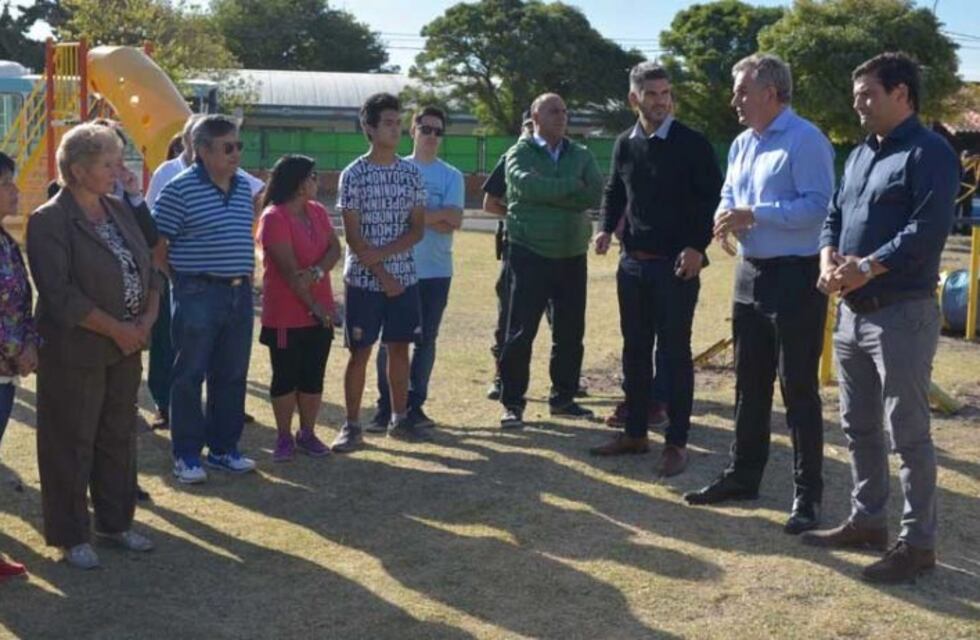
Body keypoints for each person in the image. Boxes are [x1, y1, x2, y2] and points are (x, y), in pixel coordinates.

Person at [802, 52, 959, 584]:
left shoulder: (930, 151)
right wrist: (829, 257)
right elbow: (835, 214)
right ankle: (868, 520)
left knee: (908, 435)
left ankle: (918, 545)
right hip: (853, 314)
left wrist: (865, 267)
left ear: (902, 95)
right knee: (858, 425)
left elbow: (928, 228)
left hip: (901, 314)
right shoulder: (860, 154)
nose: (858, 104)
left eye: (868, 94)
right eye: (857, 95)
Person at [684, 54, 835, 536]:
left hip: (796, 276)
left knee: (798, 388)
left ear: (772, 93)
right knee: (748, 383)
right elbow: (730, 193)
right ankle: (743, 476)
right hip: (749, 275)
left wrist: (755, 214)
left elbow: (818, 207)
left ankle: (808, 495)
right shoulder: (743, 143)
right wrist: (726, 216)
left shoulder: (806, 140)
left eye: (743, 91)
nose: (735, 101)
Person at [27, 123, 160, 569]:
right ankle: (70, 534)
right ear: (80, 170)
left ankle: (115, 522)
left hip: (126, 347)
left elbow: (148, 264)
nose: (117, 171)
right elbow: (60, 294)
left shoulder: (118, 208)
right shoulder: (49, 220)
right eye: (109, 163)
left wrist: (146, 318)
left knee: (118, 435)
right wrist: (117, 328)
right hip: (76, 350)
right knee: (71, 439)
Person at [590, 62, 722, 477]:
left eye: (666, 93)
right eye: (652, 94)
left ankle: (677, 442)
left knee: (674, 355)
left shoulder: (693, 143)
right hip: (632, 265)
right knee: (634, 349)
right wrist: (606, 229)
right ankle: (634, 434)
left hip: (677, 269)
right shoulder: (625, 144)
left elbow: (711, 201)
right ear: (635, 99)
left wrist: (697, 248)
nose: (661, 101)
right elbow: (615, 189)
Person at [153, 115, 258, 484]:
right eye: (228, 147)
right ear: (202, 151)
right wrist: (180, 282)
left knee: (231, 374)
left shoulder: (243, 187)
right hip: (197, 292)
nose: (236, 154)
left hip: (238, 293)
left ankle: (224, 449)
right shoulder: (179, 190)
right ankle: (186, 455)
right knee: (188, 375)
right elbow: (157, 247)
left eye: (238, 145)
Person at [497, 92, 603, 429]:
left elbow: (594, 192)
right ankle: (512, 403)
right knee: (520, 332)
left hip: (572, 254)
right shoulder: (518, 152)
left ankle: (564, 398)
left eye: (565, 110)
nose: (562, 116)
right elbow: (525, 186)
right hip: (529, 253)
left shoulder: (581, 154)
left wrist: (551, 193)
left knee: (570, 332)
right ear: (535, 117)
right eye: (553, 111)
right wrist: (569, 188)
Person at [330, 93, 427, 452]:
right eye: (387, 122)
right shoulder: (353, 174)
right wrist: (380, 272)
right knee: (360, 351)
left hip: (404, 279)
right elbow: (352, 235)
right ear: (368, 128)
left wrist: (387, 263)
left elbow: (417, 229)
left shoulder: (411, 173)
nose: (395, 128)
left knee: (399, 348)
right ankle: (352, 424)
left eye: (398, 122)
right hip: (363, 281)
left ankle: (399, 419)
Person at [373, 106, 464, 430]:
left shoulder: (451, 175)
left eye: (438, 131)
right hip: (398, 269)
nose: (431, 136)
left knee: (426, 341)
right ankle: (385, 407)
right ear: (413, 131)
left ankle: (415, 406)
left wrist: (416, 216)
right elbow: (391, 217)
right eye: (426, 129)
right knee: (392, 341)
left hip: (437, 272)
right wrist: (433, 215)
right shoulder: (394, 170)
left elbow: (453, 220)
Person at [256, 155, 340, 462]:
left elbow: (335, 248)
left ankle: (307, 433)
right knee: (285, 376)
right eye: (313, 176)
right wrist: (315, 307)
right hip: (286, 316)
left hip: (321, 310)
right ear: (299, 183)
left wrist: (317, 273)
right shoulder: (274, 217)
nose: (318, 181)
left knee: (313, 376)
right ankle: (283, 436)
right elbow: (290, 274)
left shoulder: (317, 211)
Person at [0, 151, 38, 580]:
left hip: (7, 369)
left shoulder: (7, 240)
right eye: (7, 182)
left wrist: (30, 344)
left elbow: (18, 304)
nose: (14, 189)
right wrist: (18, 348)